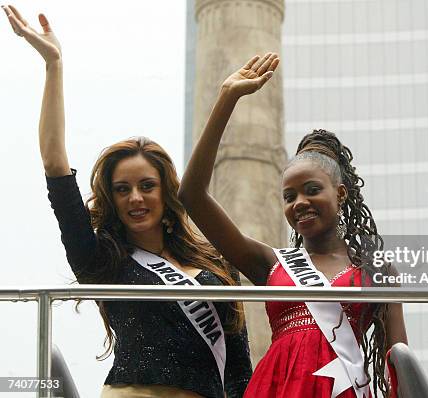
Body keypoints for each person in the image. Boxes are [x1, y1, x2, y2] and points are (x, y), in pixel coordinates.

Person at [2, 5, 252, 397]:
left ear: (166, 193)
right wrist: (54, 65)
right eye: (122, 189)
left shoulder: (217, 264)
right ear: (112, 198)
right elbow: (54, 165)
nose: (136, 197)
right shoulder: (102, 258)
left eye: (147, 186)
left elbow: (239, 371)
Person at [178, 53, 407, 397]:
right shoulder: (271, 264)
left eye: (312, 190)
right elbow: (192, 196)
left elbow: (398, 361)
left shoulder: (377, 270)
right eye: (289, 196)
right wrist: (228, 97)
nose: (300, 202)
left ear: (340, 193)